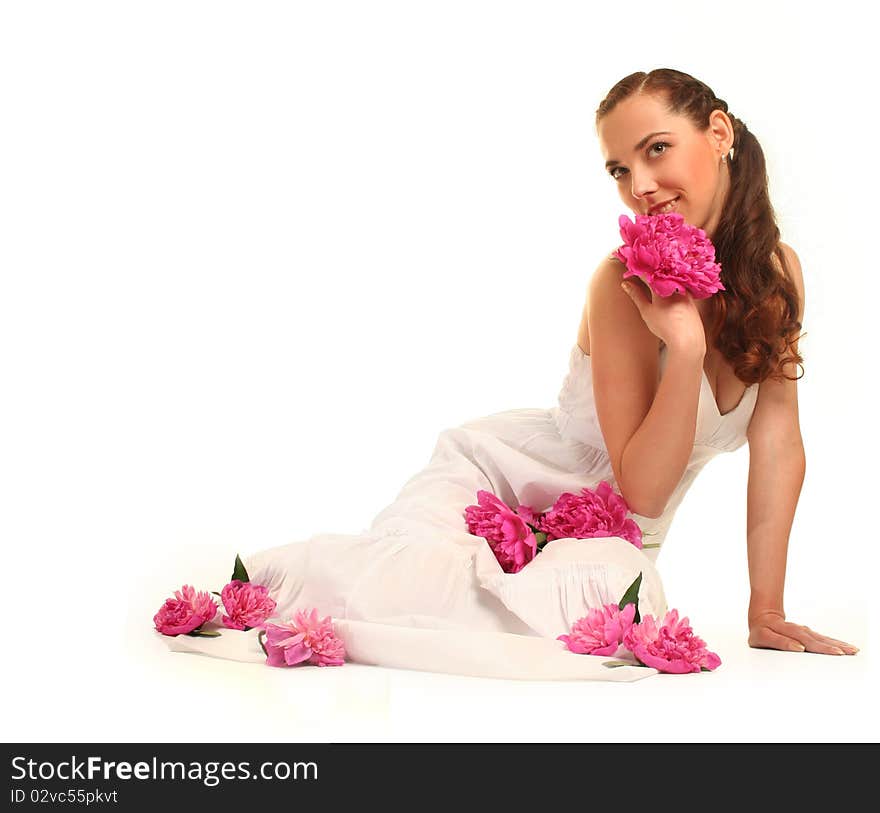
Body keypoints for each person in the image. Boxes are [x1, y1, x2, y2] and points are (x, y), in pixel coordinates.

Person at [234, 68, 857, 676]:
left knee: (616, 596)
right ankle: (270, 586)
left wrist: (766, 609)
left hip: (609, 541)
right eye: (619, 169)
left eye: (656, 150)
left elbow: (778, 439)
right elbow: (642, 490)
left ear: (719, 134)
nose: (639, 184)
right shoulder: (622, 284)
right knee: (442, 596)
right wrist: (686, 352)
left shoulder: (778, 272)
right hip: (502, 489)